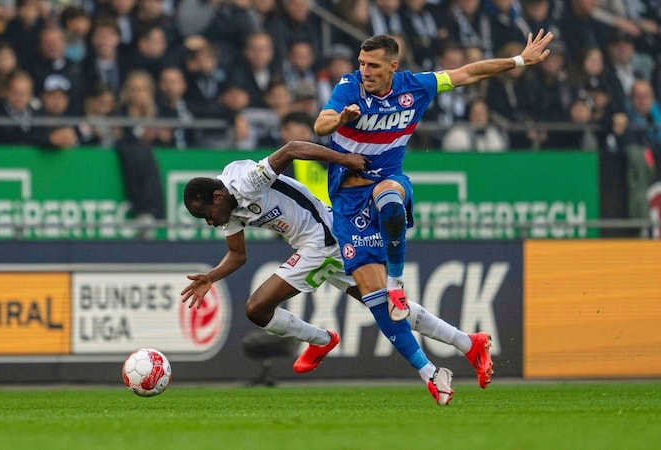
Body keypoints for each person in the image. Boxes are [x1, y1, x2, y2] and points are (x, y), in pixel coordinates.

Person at [313, 31, 553, 396]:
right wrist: (343, 117)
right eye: (362, 64)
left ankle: (398, 284)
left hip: (387, 182)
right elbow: (321, 125)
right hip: (347, 202)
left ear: (394, 66)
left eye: (374, 65)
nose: (365, 71)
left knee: (389, 197)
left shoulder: (418, 87)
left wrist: (518, 61)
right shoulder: (349, 88)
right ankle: (434, 371)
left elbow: (469, 73)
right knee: (372, 299)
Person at [181, 141, 492, 405]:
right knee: (385, 305)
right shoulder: (227, 212)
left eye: (206, 215)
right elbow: (238, 255)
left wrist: (344, 158)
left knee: (257, 307)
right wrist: (212, 276)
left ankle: (321, 340)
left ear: (217, 198)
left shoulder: (248, 181)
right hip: (313, 244)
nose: (210, 222)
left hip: (323, 237)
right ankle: (469, 343)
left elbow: (291, 149)